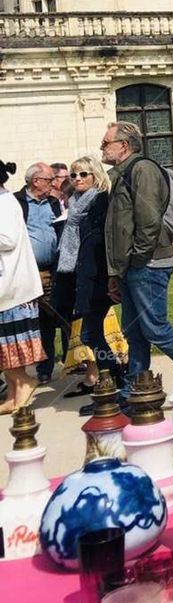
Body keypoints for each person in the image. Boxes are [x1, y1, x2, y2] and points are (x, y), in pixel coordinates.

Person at [102, 121, 173, 382]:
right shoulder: (121, 174)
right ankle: (135, 388)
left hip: (148, 263)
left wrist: (138, 258)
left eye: (106, 143)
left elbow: (149, 221)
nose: (102, 148)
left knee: (155, 328)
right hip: (132, 266)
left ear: (123, 146)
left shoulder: (142, 169)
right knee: (134, 332)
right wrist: (118, 271)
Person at [52, 155, 124, 399]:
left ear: (95, 176)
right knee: (89, 333)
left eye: (83, 174)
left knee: (90, 334)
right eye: (73, 175)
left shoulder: (99, 201)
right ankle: (114, 376)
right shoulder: (75, 203)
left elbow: (99, 243)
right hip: (83, 276)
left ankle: (115, 376)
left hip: (98, 276)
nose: (78, 179)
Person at [0, 158, 44, 413]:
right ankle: (14, 390)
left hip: (13, 284)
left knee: (8, 341)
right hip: (7, 285)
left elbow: (8, 239)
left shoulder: (5, 204)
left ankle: (25, 381)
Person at [14, 162, 65, 383]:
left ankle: (74, 360)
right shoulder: (17, 203)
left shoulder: (53, 203)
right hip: (30, 272)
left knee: (63, 314)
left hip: (55, 269)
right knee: (41, 320)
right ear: (36, 181)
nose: (53, 183)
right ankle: (44, 369)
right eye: (49, 179)